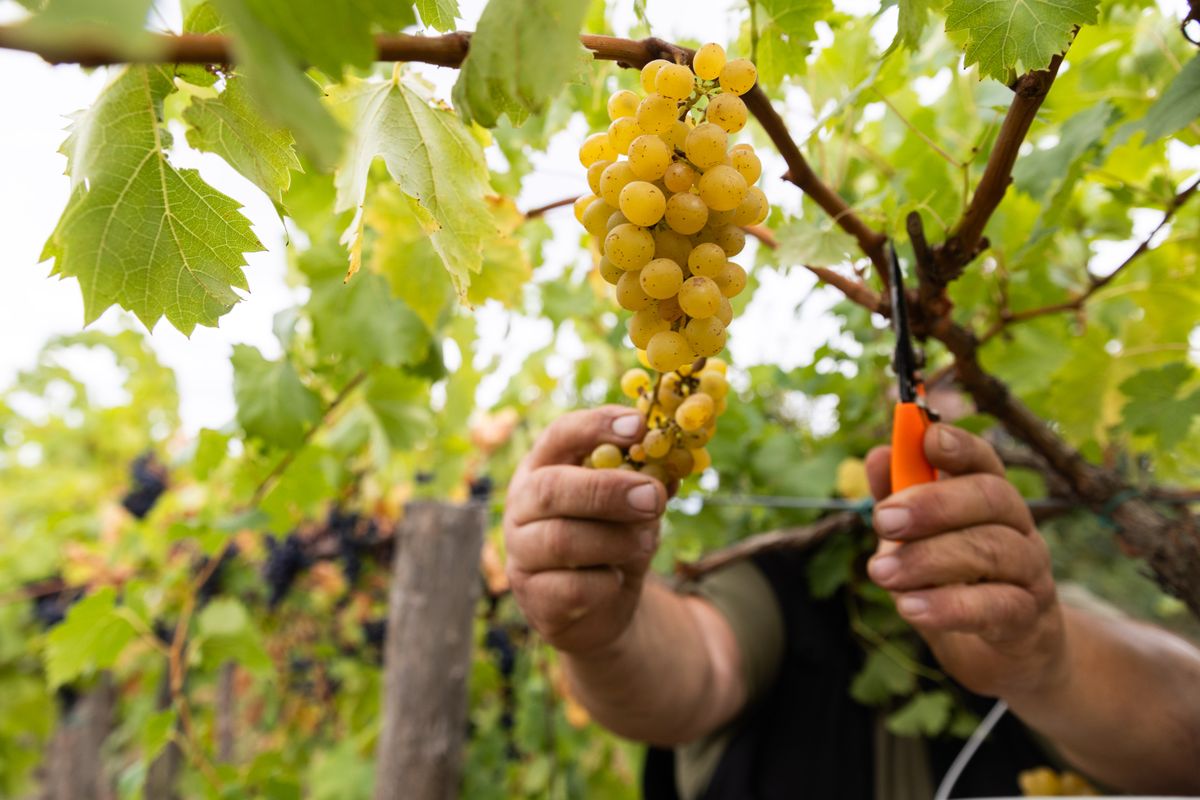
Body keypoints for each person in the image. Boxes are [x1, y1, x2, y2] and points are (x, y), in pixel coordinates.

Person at [502, 406, 1200, 798]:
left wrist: (1046, 665)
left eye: (966, 406)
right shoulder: (782, 579)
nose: (944, 423)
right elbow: (693, 672)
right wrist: (603, 636)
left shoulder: (1027, 604)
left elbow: (1184, 732)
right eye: (926, 399)